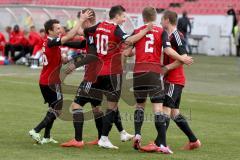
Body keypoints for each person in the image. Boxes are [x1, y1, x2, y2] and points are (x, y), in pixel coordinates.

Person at [61, 8, 134, 149]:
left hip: (93, 76)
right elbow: (84, 45)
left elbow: (90, 51)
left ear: (87, 19)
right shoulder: (97, 30)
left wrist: (73, 63)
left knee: (78, 105)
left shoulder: (95, 30)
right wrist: (68, 50)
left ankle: (79, 139)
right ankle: (109, 135)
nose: (79, 24)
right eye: (123, 16)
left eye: (81, 20)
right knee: (99, 108)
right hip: (105, 73)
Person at [124, 7, 193, 154]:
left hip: (138, 73)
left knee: (139, 106)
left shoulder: (137, 31)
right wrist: (183, 58)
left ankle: (137, 134)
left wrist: (136, 49)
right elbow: (167, 50)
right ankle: (162, 145)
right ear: (155, 17)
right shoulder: (161, 32)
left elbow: (127, 51)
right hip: (154, 72)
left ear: (143, 17)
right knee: (158, 109)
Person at [28, 10, 93, 144]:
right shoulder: (52, 42)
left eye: (60, 28)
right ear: (49, 31)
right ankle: (36, 130)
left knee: (53, 108)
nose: (60, 30)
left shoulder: (50, 43)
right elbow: (69, 37)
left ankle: (46, 137)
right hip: (52, 82)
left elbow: (62, 60)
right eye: (57, 28)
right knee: (58, 109)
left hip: (45, 81)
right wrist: (80, 20)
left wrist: (75, 57)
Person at [161, 10, 201, 150]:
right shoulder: (169, 36)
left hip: (174, 79)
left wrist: (166, 68)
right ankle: (193, 141)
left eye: (162, 19)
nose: (160, 22)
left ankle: (160, 143)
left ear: (167, 20)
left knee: (165, 108)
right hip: (173, 79)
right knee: (174, 113)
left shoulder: (177, 36)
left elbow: (184, 58)